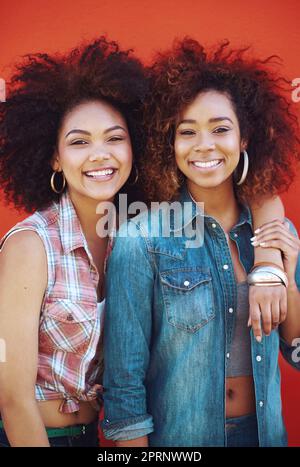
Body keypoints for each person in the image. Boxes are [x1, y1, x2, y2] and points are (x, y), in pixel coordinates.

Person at [101, 38, 300, 447]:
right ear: (169, 144)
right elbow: (124, 383)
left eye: (221, 129)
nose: (205, 145)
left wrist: (286, 279)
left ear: (244, 139)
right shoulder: (141, 238)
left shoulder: (277, 236)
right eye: (187, 131)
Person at [0, 37, 146, 447]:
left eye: (114, 138)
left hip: (92, 439)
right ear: (54, 158)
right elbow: (12, 397)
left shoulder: (131, 237)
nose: (100, 155)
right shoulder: (31, 246)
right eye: (80, 142)